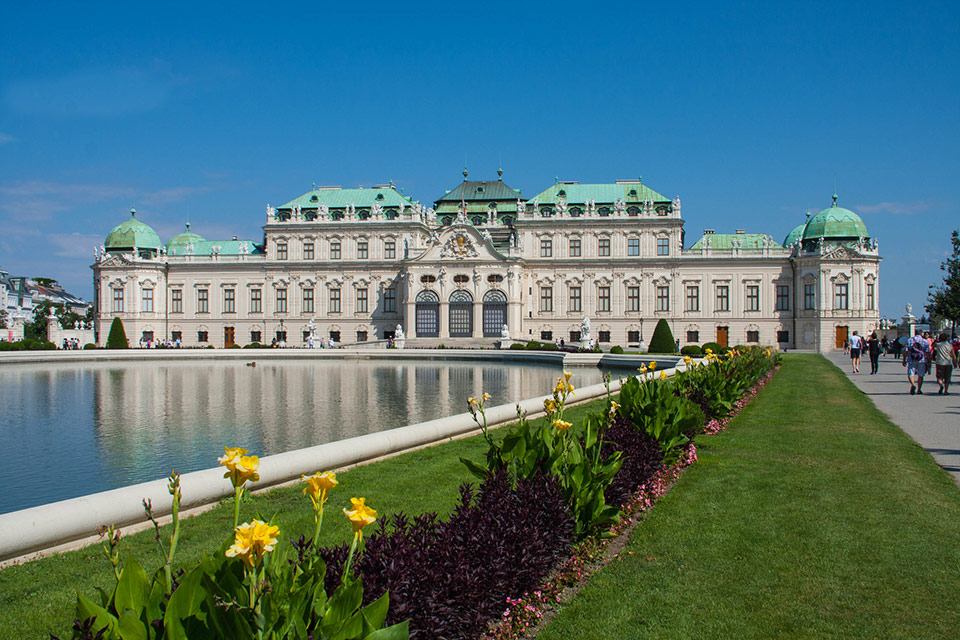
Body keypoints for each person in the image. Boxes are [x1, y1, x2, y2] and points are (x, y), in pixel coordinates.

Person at [903, 329, 930, 395]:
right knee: (920, 375)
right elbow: (927, 352)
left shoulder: (910, 340)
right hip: (921, 360)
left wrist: (904, 359)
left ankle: (913, 384)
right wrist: (928, 360)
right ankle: (919, 389)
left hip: (911, 359)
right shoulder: (924, 341)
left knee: (911, 373)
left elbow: (906, 350)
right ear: (922, 334)